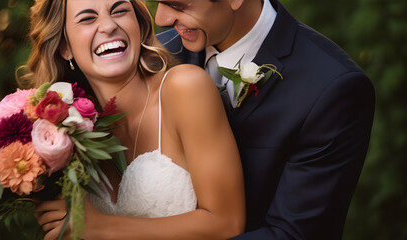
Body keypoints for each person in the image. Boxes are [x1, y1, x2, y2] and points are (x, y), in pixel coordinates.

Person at [153, 0, 376, 239]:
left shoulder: (331, 88)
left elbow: (293, 234)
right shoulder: (155, 57)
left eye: (178, 5)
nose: (161, 19)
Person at [25, 0, 245, 239]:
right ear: (65, 46)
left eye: (119, 11)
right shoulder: (60, 134)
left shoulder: (185, 87)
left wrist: (101, 227)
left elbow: (227, 223)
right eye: (88, 18)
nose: (108, 26)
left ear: (139, 25)